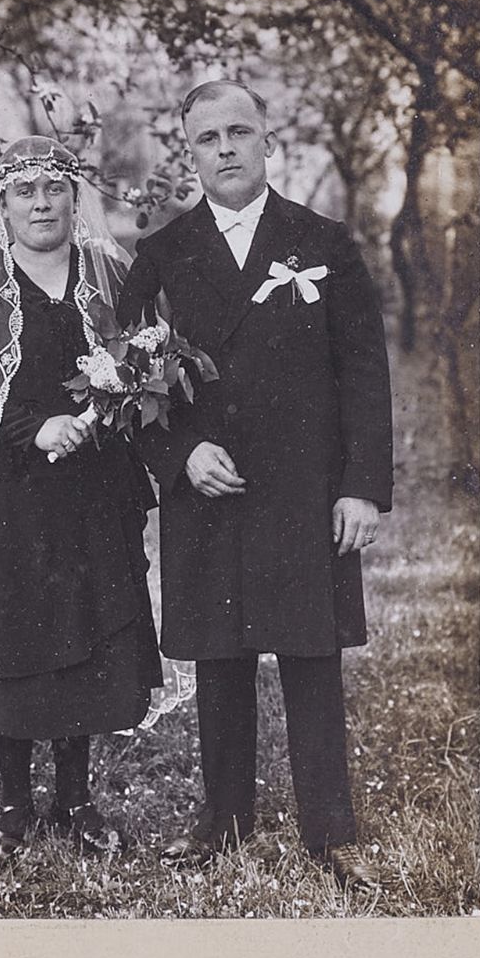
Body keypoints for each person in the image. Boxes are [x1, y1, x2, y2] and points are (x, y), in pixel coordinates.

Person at [116, 80, 393, 889]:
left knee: (312, 651)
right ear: (190, 153)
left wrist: (362, 488)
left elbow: (365, 374)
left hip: (306, 490)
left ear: (268, 141)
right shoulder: (162, 254)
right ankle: (224, 817)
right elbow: (126, 381)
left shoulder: (324, 242)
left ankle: (329, 827)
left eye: (241, 131)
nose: (227, 148)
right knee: (220, 655)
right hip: (213, 492)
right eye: (209, 138)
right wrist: (179, 456)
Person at [0, 139, 161, 856]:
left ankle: (77, 800)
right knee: (15, 636)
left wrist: (107, 412)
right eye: (23, 193)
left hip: (90, 491)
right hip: (2, 493)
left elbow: (145, 361)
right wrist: (36, 430)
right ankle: (14, 802)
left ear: (73, 198)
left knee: (86, 633)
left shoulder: (110, 274)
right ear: (2, 206)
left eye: (53, 190)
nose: (40, 205)